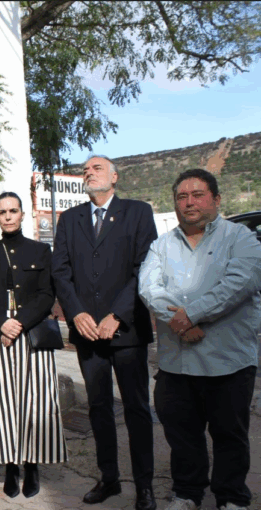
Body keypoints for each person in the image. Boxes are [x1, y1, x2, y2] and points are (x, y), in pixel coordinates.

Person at [139, 169, 261, 510]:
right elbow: (149, 287)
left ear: (217, 199)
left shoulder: (241, 238)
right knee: (182, 437)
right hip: (176, 364)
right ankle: (187, 493)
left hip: (228, 362)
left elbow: (240, 283)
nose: (189, 202)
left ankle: (231, 497)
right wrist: (181, 324)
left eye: (198, 194)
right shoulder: (162, 244)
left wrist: (191, 314)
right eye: (182, 196)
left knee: (230, 436)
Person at [52, 156, 158, 510]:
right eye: (85, 169)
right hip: (87, 332)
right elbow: (61, 272)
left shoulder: (137, 212)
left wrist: (119, 313)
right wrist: (76, 313)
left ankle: (145, 486)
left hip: (125, 330)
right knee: (98, 407)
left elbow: (145, 267)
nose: (88, 172)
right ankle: (108, 478)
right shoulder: (70, 219)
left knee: (136, 408)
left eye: (96, 168)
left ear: (114, 176)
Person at [0, 191, 67, 499]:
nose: (9, 216)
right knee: (3, 403)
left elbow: (46, 294)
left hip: (31, 332)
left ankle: (32, 464)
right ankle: (10, 465)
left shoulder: (41, 251)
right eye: (3, 212)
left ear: (22, 214)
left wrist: (19, 323)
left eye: (13, 210)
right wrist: (1, 323)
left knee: (33, 401)